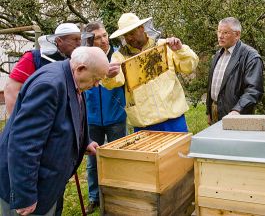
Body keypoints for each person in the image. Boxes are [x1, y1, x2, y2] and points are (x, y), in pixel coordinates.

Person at [0, 46, 109, 216]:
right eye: (96, 78)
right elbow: (25, 142)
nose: (96, 84)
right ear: (81, 68)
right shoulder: (49, 85)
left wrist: (83, 141)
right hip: (27, 186)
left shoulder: (73, 78)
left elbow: (70, 115)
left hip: (47, 182)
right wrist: (25, 195)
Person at [102, 13, 199, 132]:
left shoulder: (164, 46)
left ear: (142, 28)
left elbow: (189, 66)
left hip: (173, 119)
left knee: (179, 151)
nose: (129, 38)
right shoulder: (119, 56)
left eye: (132, 33)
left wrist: (180, 50)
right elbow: (113, 82)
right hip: (144, 124)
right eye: (126, 35)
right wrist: (109, 75)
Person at [83, 22, 127, 214]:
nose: (102, 40)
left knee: (117, 159)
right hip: (92, 117)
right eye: (97, 37)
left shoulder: (119, 56)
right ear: (89, 41)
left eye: (104, 35)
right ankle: (94, 198)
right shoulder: (84, 57)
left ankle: (117, 196)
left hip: (116, 116)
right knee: (93, 162)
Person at [4, 23, 90, 115]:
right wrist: (19, 123)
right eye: (75, 39)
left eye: (80, 39)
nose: (79, 43)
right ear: (59, 40)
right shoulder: (32, 58)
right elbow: (11, 89)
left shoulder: (73, 61)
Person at [206, 17, 264, 125]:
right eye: (218, 31)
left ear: (237, 35)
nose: (220, 36)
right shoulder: (218, 54)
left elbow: (254, 90)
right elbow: (211, 85)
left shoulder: (251, 57)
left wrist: (237, 110)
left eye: (225, 33)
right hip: (215, 111)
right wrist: (208, 110)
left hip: (236, 115)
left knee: (231, 142)